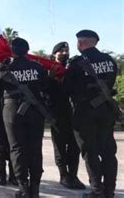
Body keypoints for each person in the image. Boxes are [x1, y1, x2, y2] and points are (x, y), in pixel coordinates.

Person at [64, 30, 118, 198]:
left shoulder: (76, 63)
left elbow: (66, 89)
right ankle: (109, 190)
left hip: (84, 112)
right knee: (108, 151)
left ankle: (97, 190)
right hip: (106, 110)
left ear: (81, 43)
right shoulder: (110, 61)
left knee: (90, 151)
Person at [0, 38, 48, 198]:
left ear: (11, 51)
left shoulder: (6, 68)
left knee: (17, 148)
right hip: (35, 110)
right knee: (35, 148)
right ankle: (35, 188)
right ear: (27, 49)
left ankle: (24, 188)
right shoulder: (38, 67)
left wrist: (0, 69)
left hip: (12, 109)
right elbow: (45, 86)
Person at [48, 42, 85, 190]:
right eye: (61, 51)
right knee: (60, 146)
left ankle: (73, 175)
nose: (64, 53)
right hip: (57, 113)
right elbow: (46, 91)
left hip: (74, 113)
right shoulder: (49, 70)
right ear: (54, 55)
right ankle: (63, 175)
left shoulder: (72, 69)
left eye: (66, 50)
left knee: (75, 146)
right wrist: (50, 78)